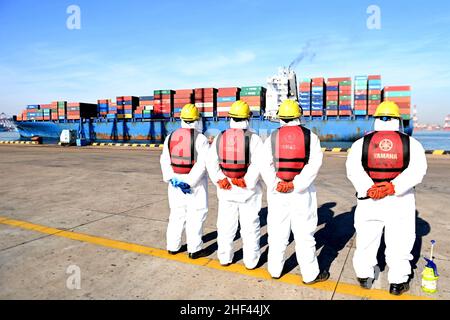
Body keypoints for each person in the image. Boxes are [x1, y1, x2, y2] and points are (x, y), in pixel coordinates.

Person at [346, 101, 427, 295]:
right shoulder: (412, 144)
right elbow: (418, 171)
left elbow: (353, 170)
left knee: (366, 239)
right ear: (398, 120)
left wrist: (370, 188)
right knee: (400, 241)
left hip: (369, 201)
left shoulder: (361, 143)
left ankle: (365, 276)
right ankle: (397, 282)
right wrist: (393, 187)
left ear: (376, 120)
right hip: (400, 201)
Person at [259, 99, 329, 284]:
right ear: (299, 115)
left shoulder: (272, 137)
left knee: (276, 232)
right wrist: (296, 184)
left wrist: (276, 184)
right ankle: (310, 274)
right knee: (305, 234)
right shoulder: (310, 137)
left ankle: (274, 270)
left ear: (280, 117)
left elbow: (264, 164)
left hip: (277, 193)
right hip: (301, 194)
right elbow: (314, 165)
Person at [206, 100, 263, 269]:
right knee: (250, 227)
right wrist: (247, 181)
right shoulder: (254, 139)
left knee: (225, 226)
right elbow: (258, 164)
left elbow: (211, 162)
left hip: (226, 190)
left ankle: (224, 258)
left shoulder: (219, 137)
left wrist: (219, 179)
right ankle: (251, 261)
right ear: (248, 118)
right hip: (247, 192)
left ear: (230, 117)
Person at [160, 104, 210, 259]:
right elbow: (203, 163)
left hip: (174, 182)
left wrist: (171, 178)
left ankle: (173, 246)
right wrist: (189, 182)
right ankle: (194, 249)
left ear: (181, 119)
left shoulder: (171, 136)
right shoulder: (200, 138)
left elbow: (164, 160)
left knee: (176, 214)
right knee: (196, 215)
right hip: (194, 185)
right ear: (197, 119)